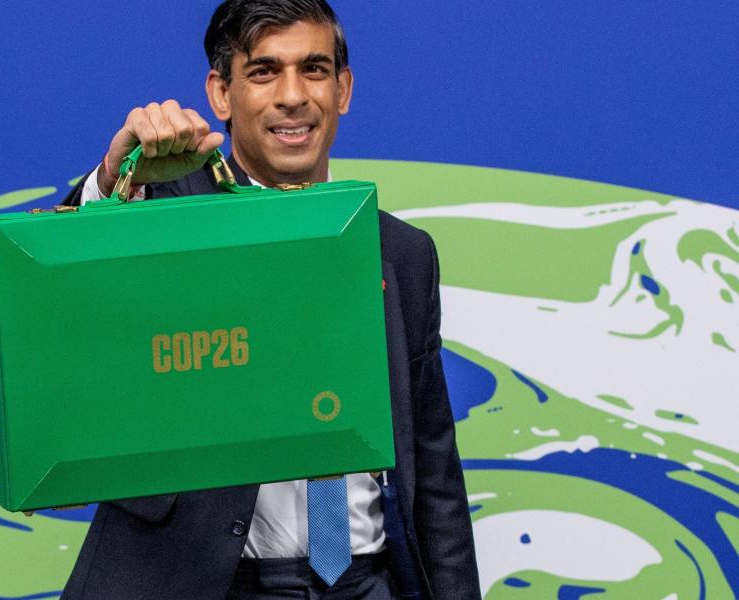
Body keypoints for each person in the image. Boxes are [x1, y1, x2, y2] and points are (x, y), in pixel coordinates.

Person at [59, 1, 480, 598]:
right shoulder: (162, 214)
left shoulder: (403, 253)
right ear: (221, 93)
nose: (292, 96)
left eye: (313, 69)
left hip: (369, 581)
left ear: (343, 89)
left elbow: (433, 472)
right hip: (205, 582)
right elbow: (68, 294)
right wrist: (114, 179)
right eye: (263, 72)